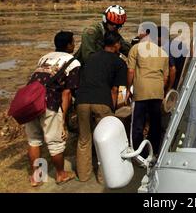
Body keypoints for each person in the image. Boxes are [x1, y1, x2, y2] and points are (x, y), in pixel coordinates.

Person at [25, 31, 80, 186]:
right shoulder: (73, 62)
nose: (74, 44)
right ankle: (61, 174)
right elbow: (67, 92)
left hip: (31, 101)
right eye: (73, 42)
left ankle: (37, 177)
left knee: (34, 140)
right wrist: (62, 119)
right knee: (55, 141)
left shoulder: (44, 57)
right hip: (50, 102)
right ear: (69, 45)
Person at [75, 32, 127, 183]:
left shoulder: (90, 58)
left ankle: (84, 176)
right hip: (102, 102)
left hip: (82, 101)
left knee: (84, 139)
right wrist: (117, 110)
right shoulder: (119, 62)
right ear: (116, 44)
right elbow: (117, 90)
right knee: (105, 140)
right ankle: (103, 177)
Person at [126, 24, 169, 157]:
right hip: (157, 91)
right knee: (155, 124)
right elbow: (165, 76)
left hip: (141, 91)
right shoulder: (163, 53)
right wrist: (161, 90)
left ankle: (138, 154)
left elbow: (131, 71)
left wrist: (128, 88)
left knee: (138, 124)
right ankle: (153, 152)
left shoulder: (136, 48)